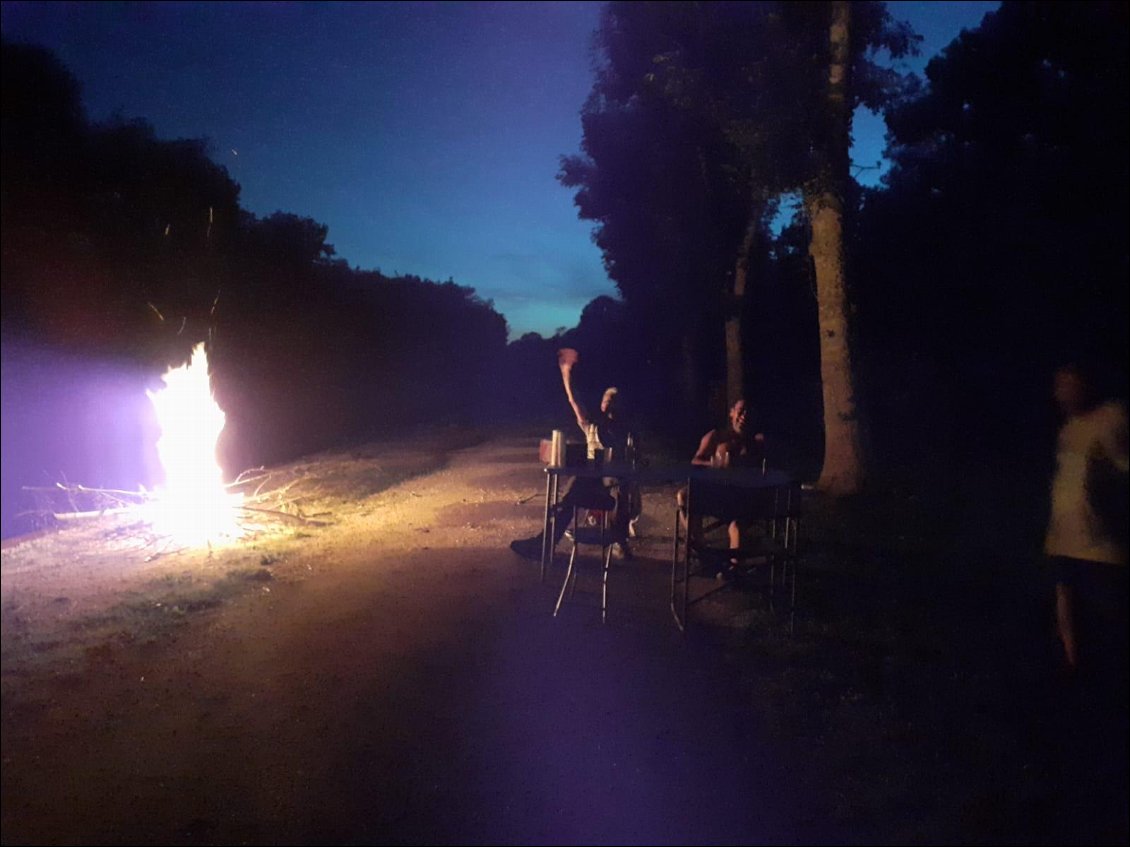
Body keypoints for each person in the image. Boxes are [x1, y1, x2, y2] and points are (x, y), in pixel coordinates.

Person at [509, 348, 639, 561]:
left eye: (614, 401)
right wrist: (566, 373)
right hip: (592, 486)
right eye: (607, 400)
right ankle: (544, 544)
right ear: (602, 405)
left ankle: (616, 540)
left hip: (611, 489)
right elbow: (574, 402)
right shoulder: (593, 427)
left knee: (609, 488)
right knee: (572, 493)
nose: (610, 404)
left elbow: (636, 463)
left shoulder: (628, 433)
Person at [1043, 363, 1128, 680]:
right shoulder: (1068, 428)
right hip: (1063, 540)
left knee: (1108, 623)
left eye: (1067, 383)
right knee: (1068, 618)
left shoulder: (1112, 416)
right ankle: (1074, 679)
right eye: (1058, 385)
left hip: (1098, 545)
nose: (1060, 392)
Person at [678, 397, 767, 576]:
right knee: (685, 496)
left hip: (742, 498)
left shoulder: (756, 442)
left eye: (748, 413)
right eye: (740, 411)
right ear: (732, 413)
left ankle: (735, 569)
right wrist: (714, 465)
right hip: (717, 494)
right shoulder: (716, 436)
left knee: (737, 526)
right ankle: (702, 554)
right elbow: (696, 460)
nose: (744, 416)